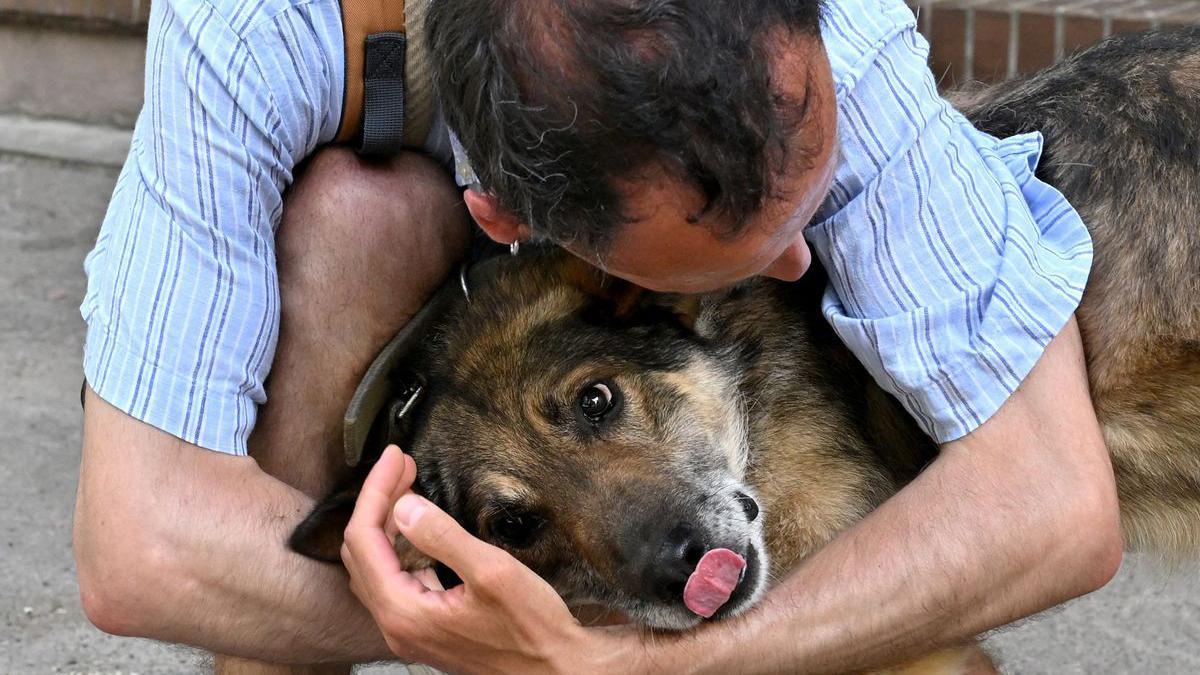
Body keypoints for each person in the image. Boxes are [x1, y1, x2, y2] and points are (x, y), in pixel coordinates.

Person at [75, 0, 1122, 673]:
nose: (804, 272)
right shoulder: (252, 25)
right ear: (520, 229)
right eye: (737, 260)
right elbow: (139, 549)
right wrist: (505, 629)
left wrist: (621, 661)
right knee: (355, 220)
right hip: (428, 202)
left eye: (810, 212)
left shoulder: (836, 42)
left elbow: (1053, 503)